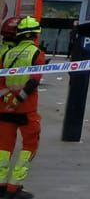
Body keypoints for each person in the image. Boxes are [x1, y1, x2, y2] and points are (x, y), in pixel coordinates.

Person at [0, 15, 46, 196]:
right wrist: (19, 100)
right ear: (34, 35)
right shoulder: (37, 53)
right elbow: (34, 81)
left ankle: (1, 185)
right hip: (26, 110)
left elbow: (2, 83)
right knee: (29, 146)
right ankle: (14, 187)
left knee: (3, 148)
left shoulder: (7, 54)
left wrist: (9, 100)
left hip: (5, 109)